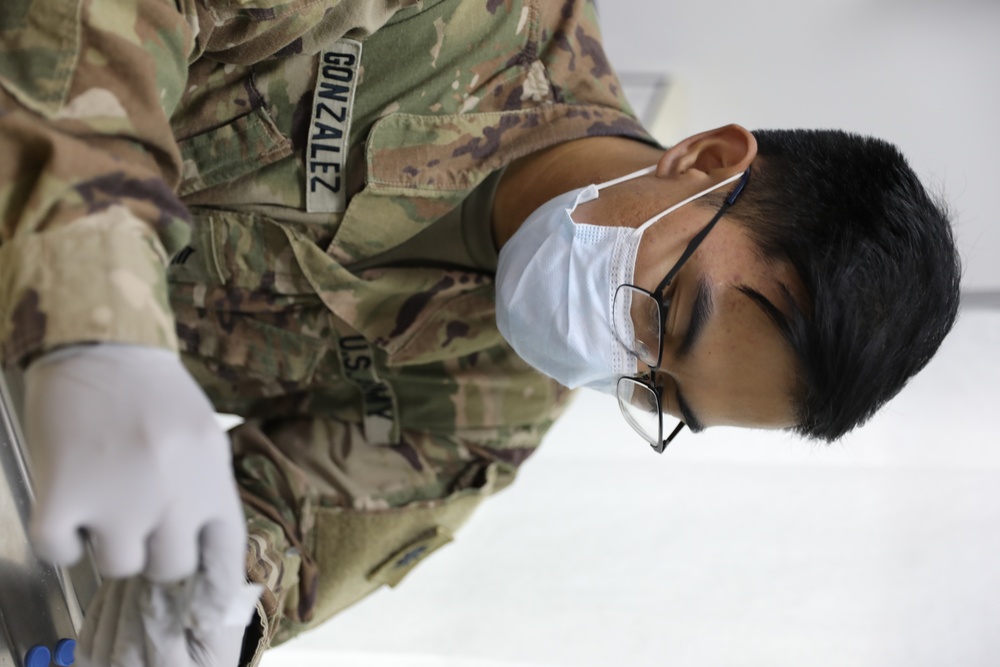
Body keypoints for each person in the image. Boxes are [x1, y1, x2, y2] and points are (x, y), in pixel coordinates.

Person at [0, 0, 961, 666]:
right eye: (668, 310)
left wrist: (211, 610)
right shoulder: (462, 26)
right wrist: (94, 322)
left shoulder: (490, 400)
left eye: (655, 394)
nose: (616, 358)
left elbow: (312, 515)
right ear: (704, 160)